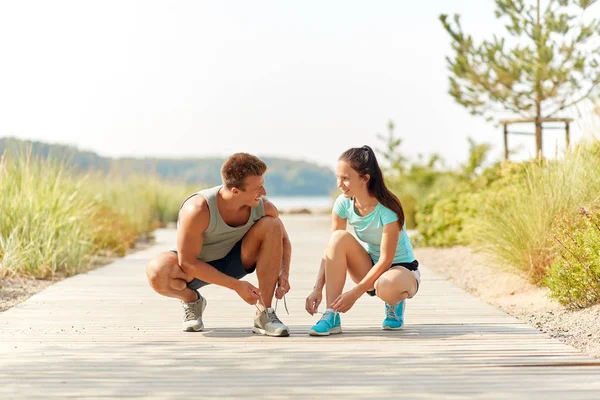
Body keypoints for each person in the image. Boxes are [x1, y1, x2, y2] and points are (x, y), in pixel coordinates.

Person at [146, 153, 292, 337]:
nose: (264, 193)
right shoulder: (197, 209)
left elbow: (284, 240)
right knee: (157, 271)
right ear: (235, 191)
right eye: (258, 188)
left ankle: (265, 314)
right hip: (196, 266)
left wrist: (283, 273)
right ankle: (192, 300)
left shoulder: (265, 207)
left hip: (237, 260)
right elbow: (188, 263)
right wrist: (237, 286)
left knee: (273, 225)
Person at [305, 145, 420, 336]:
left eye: (346, 178)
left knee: (386, 285)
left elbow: (386, 260)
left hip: (401, 270)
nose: (339, 184)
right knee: (338, 237)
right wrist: (317, 288)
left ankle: (395, 303)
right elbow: (331, 250)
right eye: (338, 177)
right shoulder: (343, 203)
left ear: (365, 178)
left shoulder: (387, 208)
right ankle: (331, 314)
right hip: (369, 267)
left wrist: (354, 294)